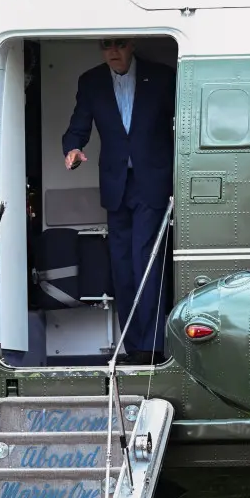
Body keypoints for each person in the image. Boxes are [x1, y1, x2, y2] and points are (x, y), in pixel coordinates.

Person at [61, 38, 175, 365]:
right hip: (115, 185)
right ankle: (133, 345)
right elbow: (77, 129)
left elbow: (182, 124)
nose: (112, 51)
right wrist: (72, 149)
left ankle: (154, 346)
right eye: (105, 46)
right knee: (122, 265)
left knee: (146, 260)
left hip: (152, 182)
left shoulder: (162, 76)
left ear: (133, 45)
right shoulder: (91, 81)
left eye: (119, 45)